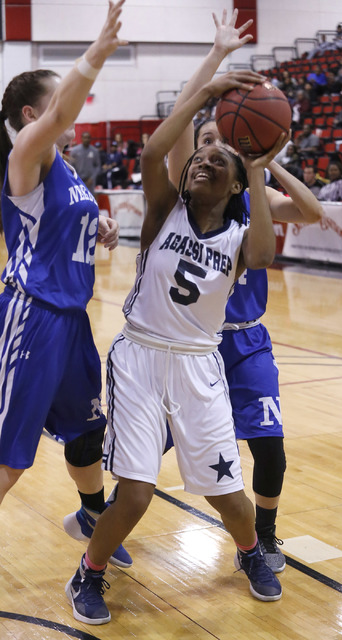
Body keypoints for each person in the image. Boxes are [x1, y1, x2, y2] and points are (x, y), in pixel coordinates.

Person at [66, 62, 289, 623]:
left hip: (198, 365)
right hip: (140, 356)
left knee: (228, 497)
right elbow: (151, 154)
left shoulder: (240, 235)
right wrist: (205, 93)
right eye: (199, 158)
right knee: (137, 493)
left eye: (219, 162)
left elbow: (263, 256)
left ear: (235, 185)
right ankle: (86, 574)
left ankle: (249, 552)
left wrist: (259, 170)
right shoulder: (166, 212)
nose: (203, 163)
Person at [164, 9, 322, 575]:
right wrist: (213, 64)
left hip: (247, 344)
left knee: (271, 446)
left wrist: (269, 163)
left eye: (224, 139)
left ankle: (266, 535)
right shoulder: (182, 207)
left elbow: (312, 211)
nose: (215, 144)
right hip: (189, 345)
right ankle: (106, 510)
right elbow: (179, 133)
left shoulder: (253, 201)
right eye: (206, 139)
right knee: (150, 443)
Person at [0, 0, 132, 569]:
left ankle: (91, 516)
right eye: (58, 100)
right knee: (11, 455)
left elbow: (67, 220)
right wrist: (97, 52)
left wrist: (99, 225)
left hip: (72, 320)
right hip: (33, 315)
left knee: (86, 431)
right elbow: (56, 121)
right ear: (32, 114)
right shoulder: (26, 152)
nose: (71, 109)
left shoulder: (67, 166)